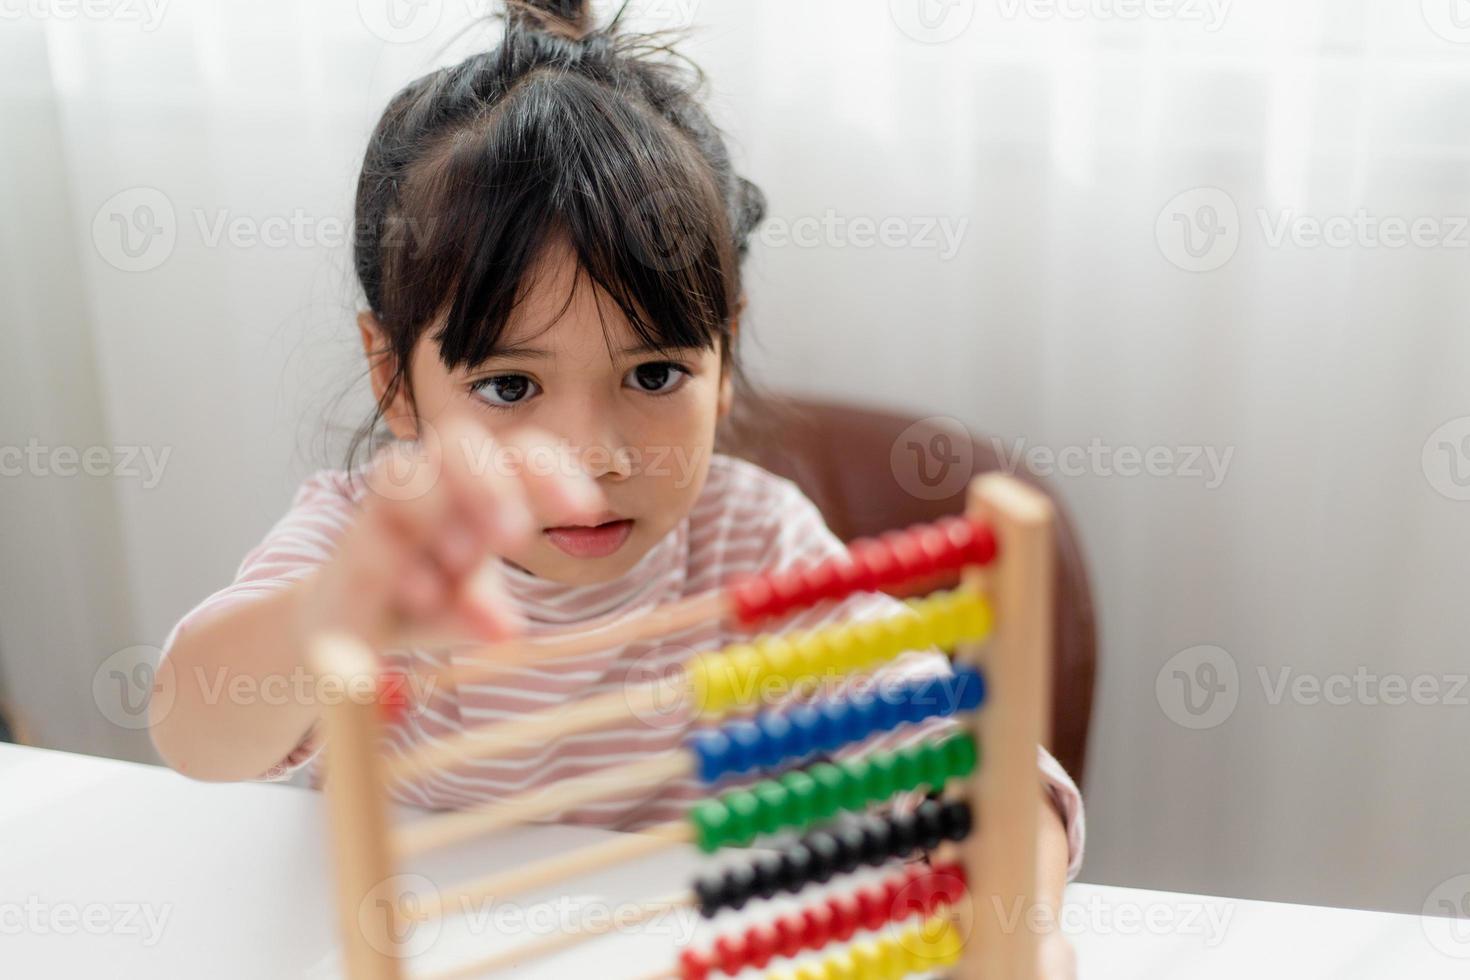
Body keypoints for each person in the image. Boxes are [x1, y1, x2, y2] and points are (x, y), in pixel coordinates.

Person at [149, 2, 1082, 973]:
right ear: (394, 379)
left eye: (653, 374)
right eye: (509, 385)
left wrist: (1021, 920)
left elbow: (972, 761)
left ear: (723, 355)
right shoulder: (367, 545)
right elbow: (194, 727)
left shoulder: (749, 541)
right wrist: (331, 613)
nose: (593, 455)